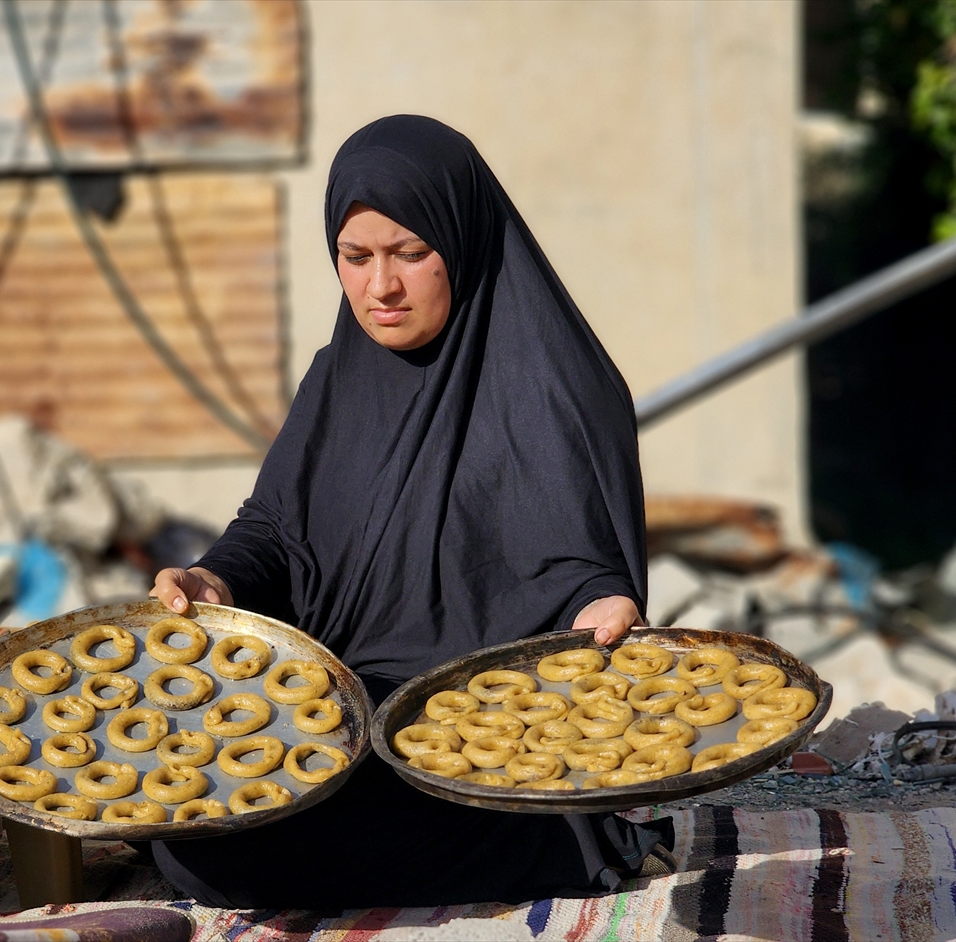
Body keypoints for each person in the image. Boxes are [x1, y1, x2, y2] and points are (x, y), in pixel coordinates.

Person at [149, 115, 672, 909]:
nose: (379, 288)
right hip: (336, 711)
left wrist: (604, 601)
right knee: (167, 785)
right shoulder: (338, 379)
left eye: (410, 254)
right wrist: (213, 578)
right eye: (355, 258)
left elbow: (577, 569)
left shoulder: (557, 388)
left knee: (213, 856)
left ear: (461, 243)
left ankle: (557, 838)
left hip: (482, 734)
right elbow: (276, 531)